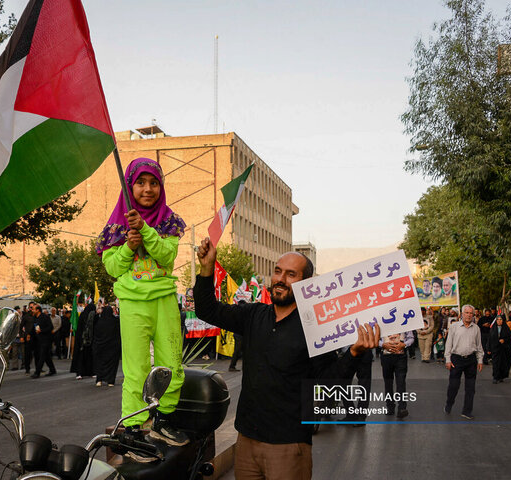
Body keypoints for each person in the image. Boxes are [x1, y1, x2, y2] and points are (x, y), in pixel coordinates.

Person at [195, 240, 379, 478]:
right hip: (247, 442)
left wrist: (354, 354)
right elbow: (206, 310)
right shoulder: (253, 315)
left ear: (306, 283)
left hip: (289, 448)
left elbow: (327, 384)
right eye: (278, 271)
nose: (280, 279)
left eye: (291, 274)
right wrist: (207, 268)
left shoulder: (316, 329)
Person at [97, 157, 188, 450]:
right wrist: (129, 246)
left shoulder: (170, 221)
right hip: (133, 303)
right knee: (135, 368)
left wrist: (146, 232)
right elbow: (111, 267)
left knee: (171, 363)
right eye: (141, 183)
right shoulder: (115, 224)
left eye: (154, 183)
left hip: (164, 300)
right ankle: (133, 426)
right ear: (129, 186)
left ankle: (164, 419)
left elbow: (167, 257)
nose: (148, 189)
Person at [444, 304, 484, 420]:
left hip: (471, 360)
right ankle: (449, 403)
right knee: (454, 386)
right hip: (456, 359)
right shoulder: (454, 327)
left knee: (470, 388)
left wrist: (480, 360)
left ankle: (467, 411)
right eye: (466, 313)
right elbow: (448, 344)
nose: (469, 315)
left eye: (471, 313)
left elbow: (479, 346)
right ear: (462, 314)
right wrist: (447, 359)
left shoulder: (476, 328)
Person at [380, 330, 414, 418]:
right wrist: (382, 344)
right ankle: (390, 406)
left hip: (401, 356)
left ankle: (402, 407)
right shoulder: (380, 321)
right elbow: (375, 339)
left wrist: (404, 344)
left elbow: (411, 338)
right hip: (386, 356)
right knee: (388, 382)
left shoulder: (405, 321)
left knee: (401, 381)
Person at [92, 299, 121, 387]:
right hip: (113, 348)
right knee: (112, 365)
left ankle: (99, 380)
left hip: (100, 347)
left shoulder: (99, 323)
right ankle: (110, 381)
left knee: (100, 364)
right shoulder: (115, 322)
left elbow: (95, 334)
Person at [70, 301, 95, 379]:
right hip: (82, 340)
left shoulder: (88, 316)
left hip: (87, 340)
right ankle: (80, 372)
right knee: (82, 357)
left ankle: (88, 372)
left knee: (88, 357)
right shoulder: (85, 316)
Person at [31, 305, 56, 378]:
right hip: (39, 340)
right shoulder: (35, 318)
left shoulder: (45, 317)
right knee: (46, 356)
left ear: (38, 310)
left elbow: (50, 327)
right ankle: (52, 369)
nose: (32, 310)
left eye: (33, 309)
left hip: (46, 339)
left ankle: (37, 372)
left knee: (42, 356)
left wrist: (42, 331)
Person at [488, 314, 511, 384]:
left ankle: (501, 376)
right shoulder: (493, 328)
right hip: (495, 349)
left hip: (504, 349)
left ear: (503, 321)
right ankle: (495, 377)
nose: (499, 321)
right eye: (498, 320)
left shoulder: (506, 328)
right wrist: (488, 349)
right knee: (496, 363)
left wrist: (504, 340)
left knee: (503, 363)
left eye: (500, 320)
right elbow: (490, 339)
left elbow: (510, 337)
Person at [21, 302, 38, 374]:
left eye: (33, 308)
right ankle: (27, 368)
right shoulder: (26, 316)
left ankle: (38, 368)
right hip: (28, 337)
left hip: (36, 337)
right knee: (27, 354)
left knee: (37, 353)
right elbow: (21, 327)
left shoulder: (37, 316)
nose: (32, 309)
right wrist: (22, 336)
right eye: (30, 307)